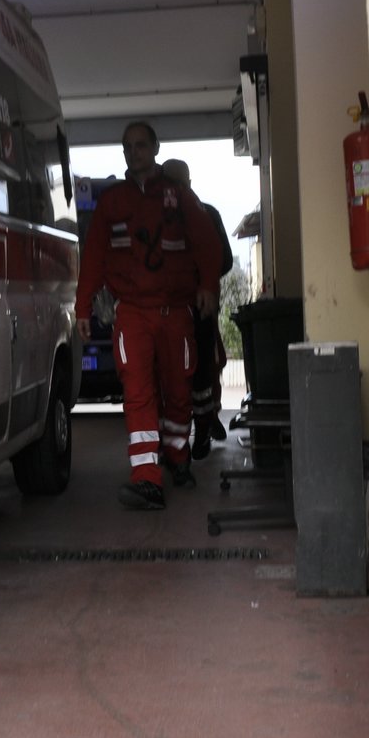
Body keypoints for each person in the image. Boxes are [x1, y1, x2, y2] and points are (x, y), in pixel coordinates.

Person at [77, 121, 223, 510]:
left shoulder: (179, 196)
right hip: (133, 315)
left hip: (176, 313)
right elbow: (92, 257)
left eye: (140, 145)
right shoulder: (112, 202)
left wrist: (208, 284)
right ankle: (146, 479)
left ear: (155, 148)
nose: (134, 151)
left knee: (179, 390)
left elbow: (206, 242)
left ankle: (178, 457)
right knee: (137, 393)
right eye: (127, 146)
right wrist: (82, 307)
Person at [160, 158, 233, 460]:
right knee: (172, 375)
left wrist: (202, 284)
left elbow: (224, 260)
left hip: (198, 309)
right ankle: (180, 439)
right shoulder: (156, 217)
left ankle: (203, 427)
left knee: (203, 370)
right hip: (167, 309)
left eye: (178, 184)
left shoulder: (207, 215)